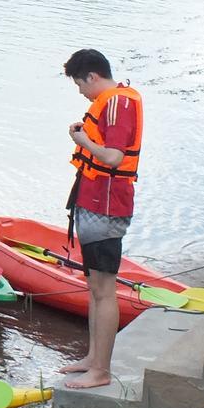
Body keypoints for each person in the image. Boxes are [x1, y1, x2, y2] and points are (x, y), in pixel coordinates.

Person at [59, 48, 144, 390]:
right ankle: (93, 358)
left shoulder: (118, 103)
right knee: (95, 288)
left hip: (108, 205)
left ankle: (102, 371)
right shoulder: (109, 102)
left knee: (105, 291)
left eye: (80, 84)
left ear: (92, 76)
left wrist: (82, 141)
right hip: (93, 202)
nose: (80, 91)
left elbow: (112, 156)